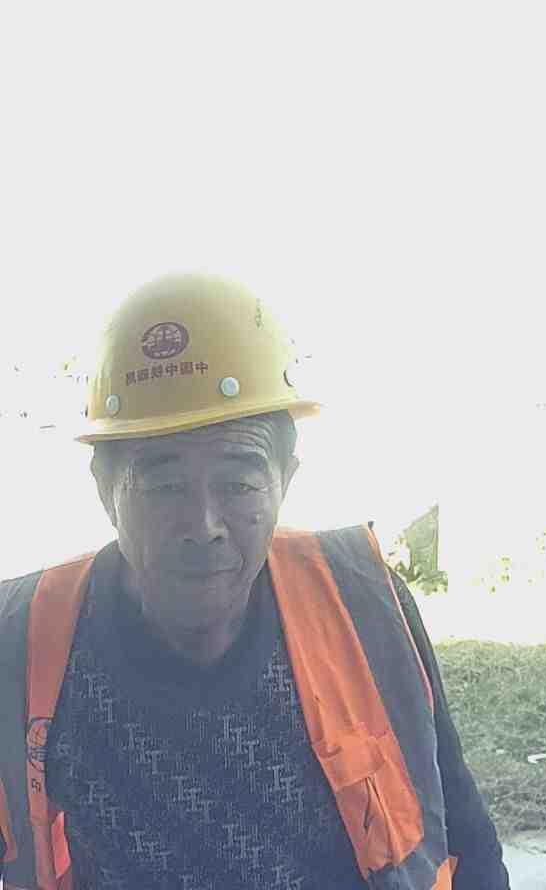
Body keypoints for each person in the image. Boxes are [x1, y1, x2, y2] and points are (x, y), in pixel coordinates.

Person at [0, 272, 510, 890]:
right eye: (164, 486)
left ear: (284, 480)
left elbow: (466, 838)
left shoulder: (361, 602)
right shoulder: (23, 638)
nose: (203, 525)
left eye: (238, 482)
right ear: (106, 490)